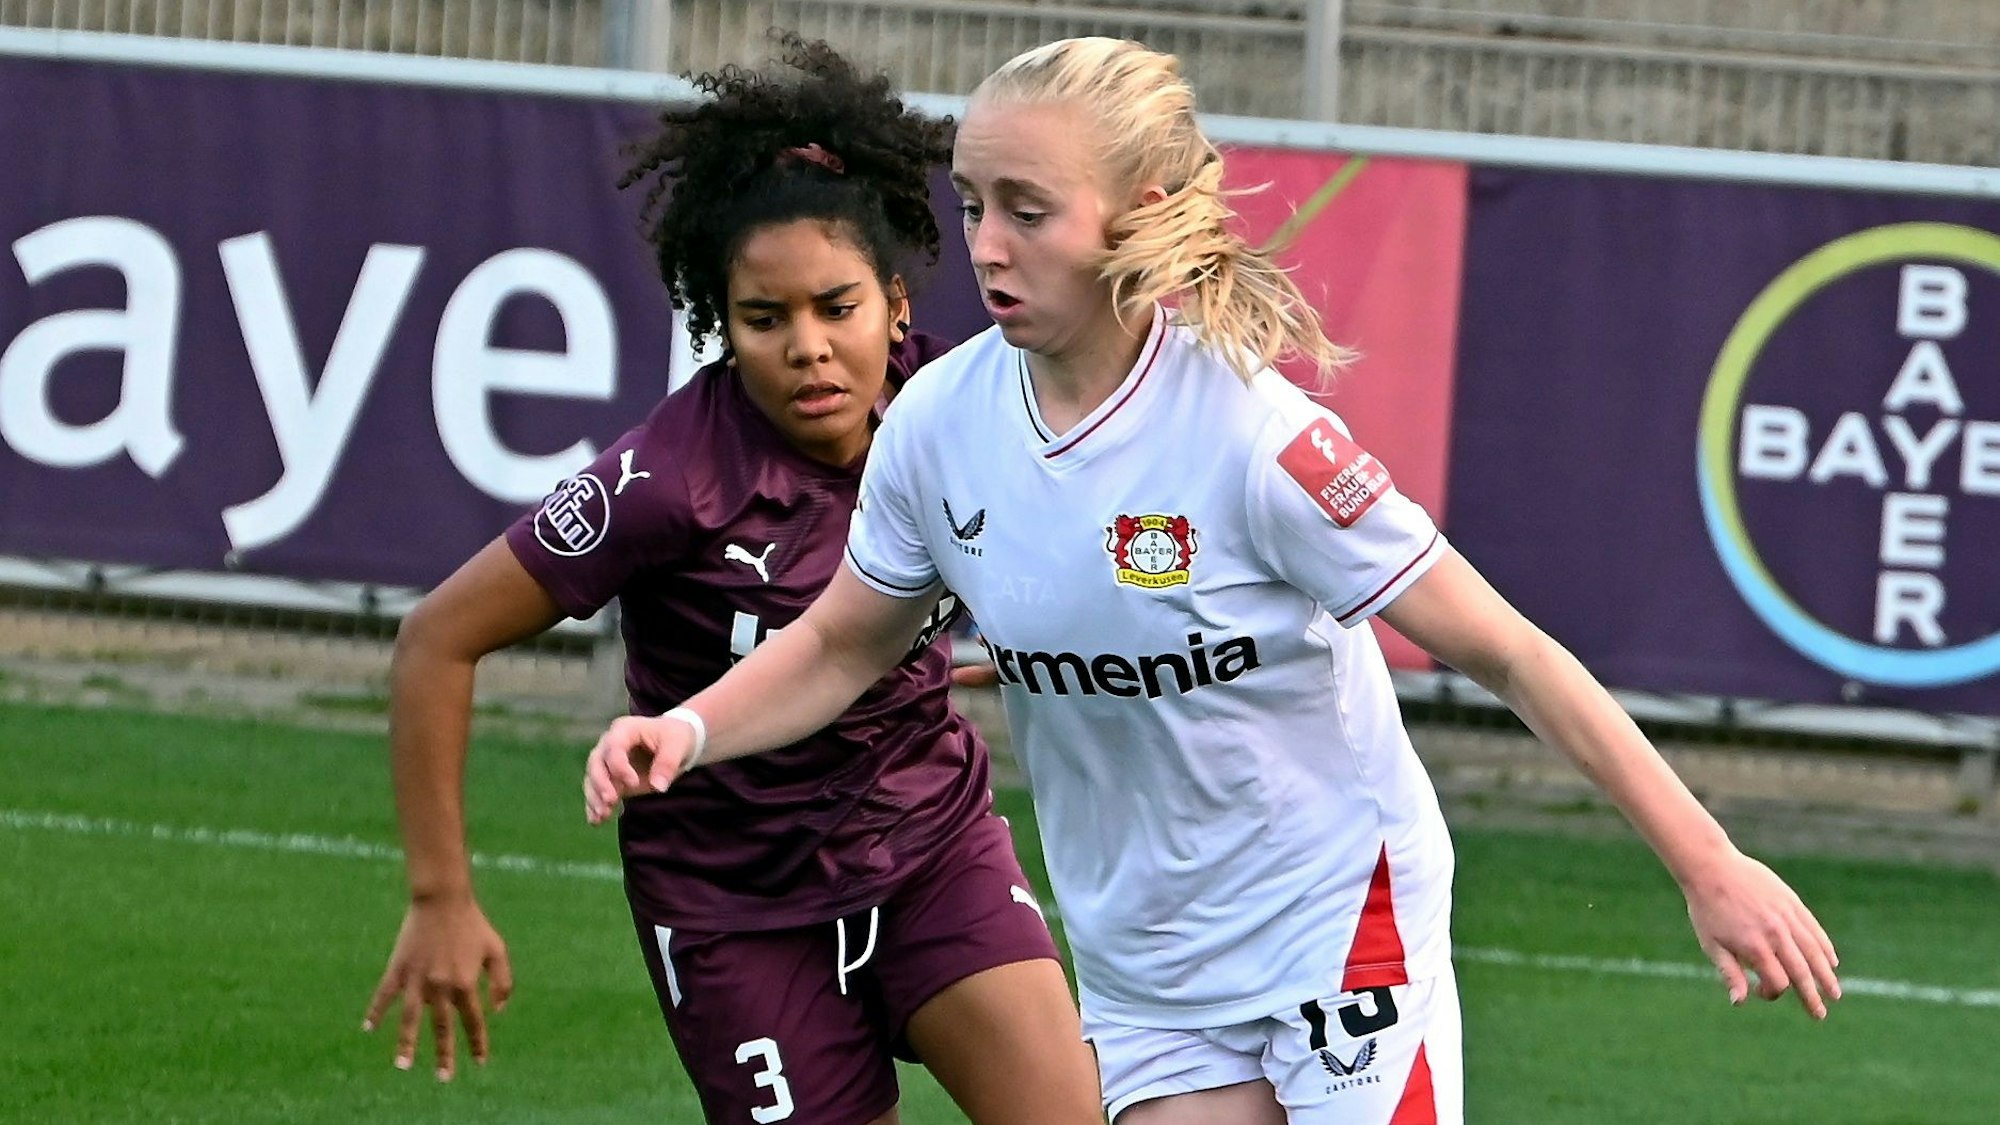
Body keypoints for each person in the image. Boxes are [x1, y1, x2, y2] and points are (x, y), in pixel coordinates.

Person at [583, 35, 1843, 1125]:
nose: (987, 246)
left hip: (1335, 929)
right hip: (1144, 965)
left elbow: (1508, 651)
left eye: (1029, 210)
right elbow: (847, 644)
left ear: (1133, 213)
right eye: (972, 204)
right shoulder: (933, 426)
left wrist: (1707, 863)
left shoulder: (1254, 438)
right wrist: (687, 730)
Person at [365, 35, 1104, 1125]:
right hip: (735, 913)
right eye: (765, 320)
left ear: (896, 305)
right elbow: (437, 637)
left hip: (929, 849)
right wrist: (440, 895)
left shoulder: (964, 409)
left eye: (836, 307)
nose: (806, 346)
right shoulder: (666, 484)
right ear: (722, 325)